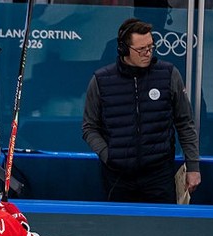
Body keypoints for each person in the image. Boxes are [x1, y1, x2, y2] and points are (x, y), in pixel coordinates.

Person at [82, 18, 200, 204]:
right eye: (141, 49)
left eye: (151, 47)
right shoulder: (101, 81)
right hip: (117, 177)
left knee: (162, 228)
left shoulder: (169, 74)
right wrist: (108, 155)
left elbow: (185, 123)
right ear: (123, 49)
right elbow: (89, 127)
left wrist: (193, 166)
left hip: (159, 175)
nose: (148, 53)